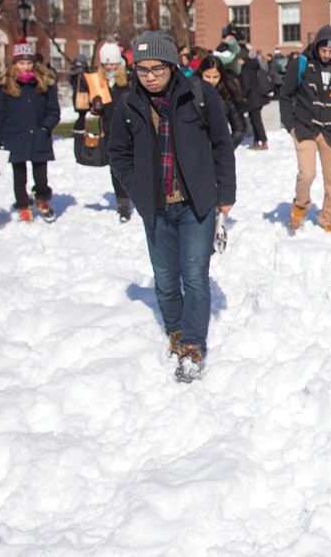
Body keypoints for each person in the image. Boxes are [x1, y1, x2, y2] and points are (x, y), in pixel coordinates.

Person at [108, 31, 236, 383]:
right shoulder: (129, 103)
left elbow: (221, 145)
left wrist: (225, 193)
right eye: (142, 69)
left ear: (171, 66)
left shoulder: (197, 94)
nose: (150, 76)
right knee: (165, 281)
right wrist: (136, 187)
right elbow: (116, 152)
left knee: (194, 275)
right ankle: (176, 331)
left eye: (157, 69)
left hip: (196, 203)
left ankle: (193, 343)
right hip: (156, 207)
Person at [279, 25, 331, 234]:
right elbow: (285, 95)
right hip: (305, 128)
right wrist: (291, 126)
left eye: (330, 51)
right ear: (317, 47)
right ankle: (300, 205)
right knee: (307, 174)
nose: (326, 54)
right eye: (323, 50)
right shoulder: (302, 64)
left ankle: (328, 218)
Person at [0, 43, 61, 222]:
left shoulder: (44, 84)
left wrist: (45, 127)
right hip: (16, 136)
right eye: (21, 63)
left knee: (41, 176)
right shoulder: (6, 86)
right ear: (14, 64)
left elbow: (54, 111)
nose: (25, 67)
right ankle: (23, 205)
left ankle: (42, 199)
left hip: (39, 136)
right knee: (19, 176)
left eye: (29, 63)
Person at [85, 42, 136, 221]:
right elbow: (84, 107)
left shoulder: (128, 80)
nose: (109, 67)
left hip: (129, 130)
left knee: (135, 164)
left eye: (112, 63)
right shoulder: (97, 82)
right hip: (108, 131)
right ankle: (123, 203)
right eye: (105, 63)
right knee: (116, 168)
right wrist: (94, 108)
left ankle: (137, 193)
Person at [199, 58, 248, 149]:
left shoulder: (227, 95)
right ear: (201, 72)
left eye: (215, 77)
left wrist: (226, 149)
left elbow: (240, 127)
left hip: (217, 151)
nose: (211, 81)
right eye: (207, 76)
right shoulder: (191, 91)